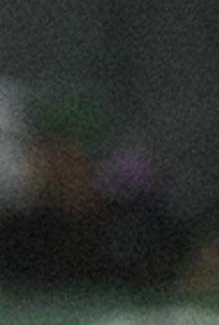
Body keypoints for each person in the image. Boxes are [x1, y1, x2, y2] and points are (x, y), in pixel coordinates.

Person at [0, 89, 194, 293]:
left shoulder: (135, 228)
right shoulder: (18, 234)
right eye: (60, 158)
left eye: (81, 160)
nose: (72, 172)